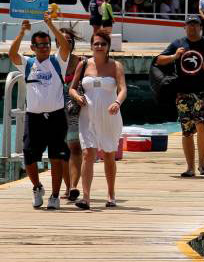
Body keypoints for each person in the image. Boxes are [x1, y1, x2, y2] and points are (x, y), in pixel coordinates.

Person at [155, 16, 204, 177]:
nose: (192, 28)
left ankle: (202, 164)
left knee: (201, 124)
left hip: (202, 92)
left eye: (195, 25)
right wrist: (174, 56)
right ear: (185, 27)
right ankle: (190, 167)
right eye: (189, 25)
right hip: (182, 92)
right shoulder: (178, 43)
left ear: (200, 27)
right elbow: (158, 60)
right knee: (187, 130)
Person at [8, 13, 71, 209]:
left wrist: (50, 25)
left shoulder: (57, 62)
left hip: (56, 117)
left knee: (56, 157)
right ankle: (37, 188)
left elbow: (66, 47)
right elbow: (12, 53)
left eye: (47, 44)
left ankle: (54, 196)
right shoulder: (27, 63)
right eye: (40, 45)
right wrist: (21, 32)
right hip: (33, 117)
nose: (44, 48)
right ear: (33, 48)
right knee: (28, 154)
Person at [68, 31, 126, 210]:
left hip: (109, 116)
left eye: (103, 44)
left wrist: (117, 102)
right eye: (96, 44)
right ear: (91, 46)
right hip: (88, 116)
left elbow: (123, 89)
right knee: (87, 154)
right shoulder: (83, 64)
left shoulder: (116, 66)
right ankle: (86, 198)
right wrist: (77, 97)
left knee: (109, 154)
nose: (99, 46)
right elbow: (71, 89)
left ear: (108, 46)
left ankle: (111, 193)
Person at [57, 28, 83, 202]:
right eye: (62, 40)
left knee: (74, 147)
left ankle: (73, 186)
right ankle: (67, 187)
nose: (66, 43)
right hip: (55, 109)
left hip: (74, 109)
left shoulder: (82, 63)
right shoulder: (50, 61)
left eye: (70, 40)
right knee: (61, 151)